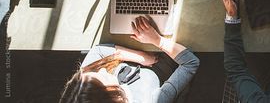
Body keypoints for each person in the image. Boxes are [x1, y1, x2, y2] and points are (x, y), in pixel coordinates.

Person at [60, 16, 200, 103]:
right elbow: (190, 63)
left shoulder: (84, 84)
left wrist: (141, 57)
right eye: (103, 77)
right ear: (113, 96)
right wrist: (157, 41)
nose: (102, 69)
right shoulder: (151, 100)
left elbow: (99, 51)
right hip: (163, 67)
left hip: (144, 56)